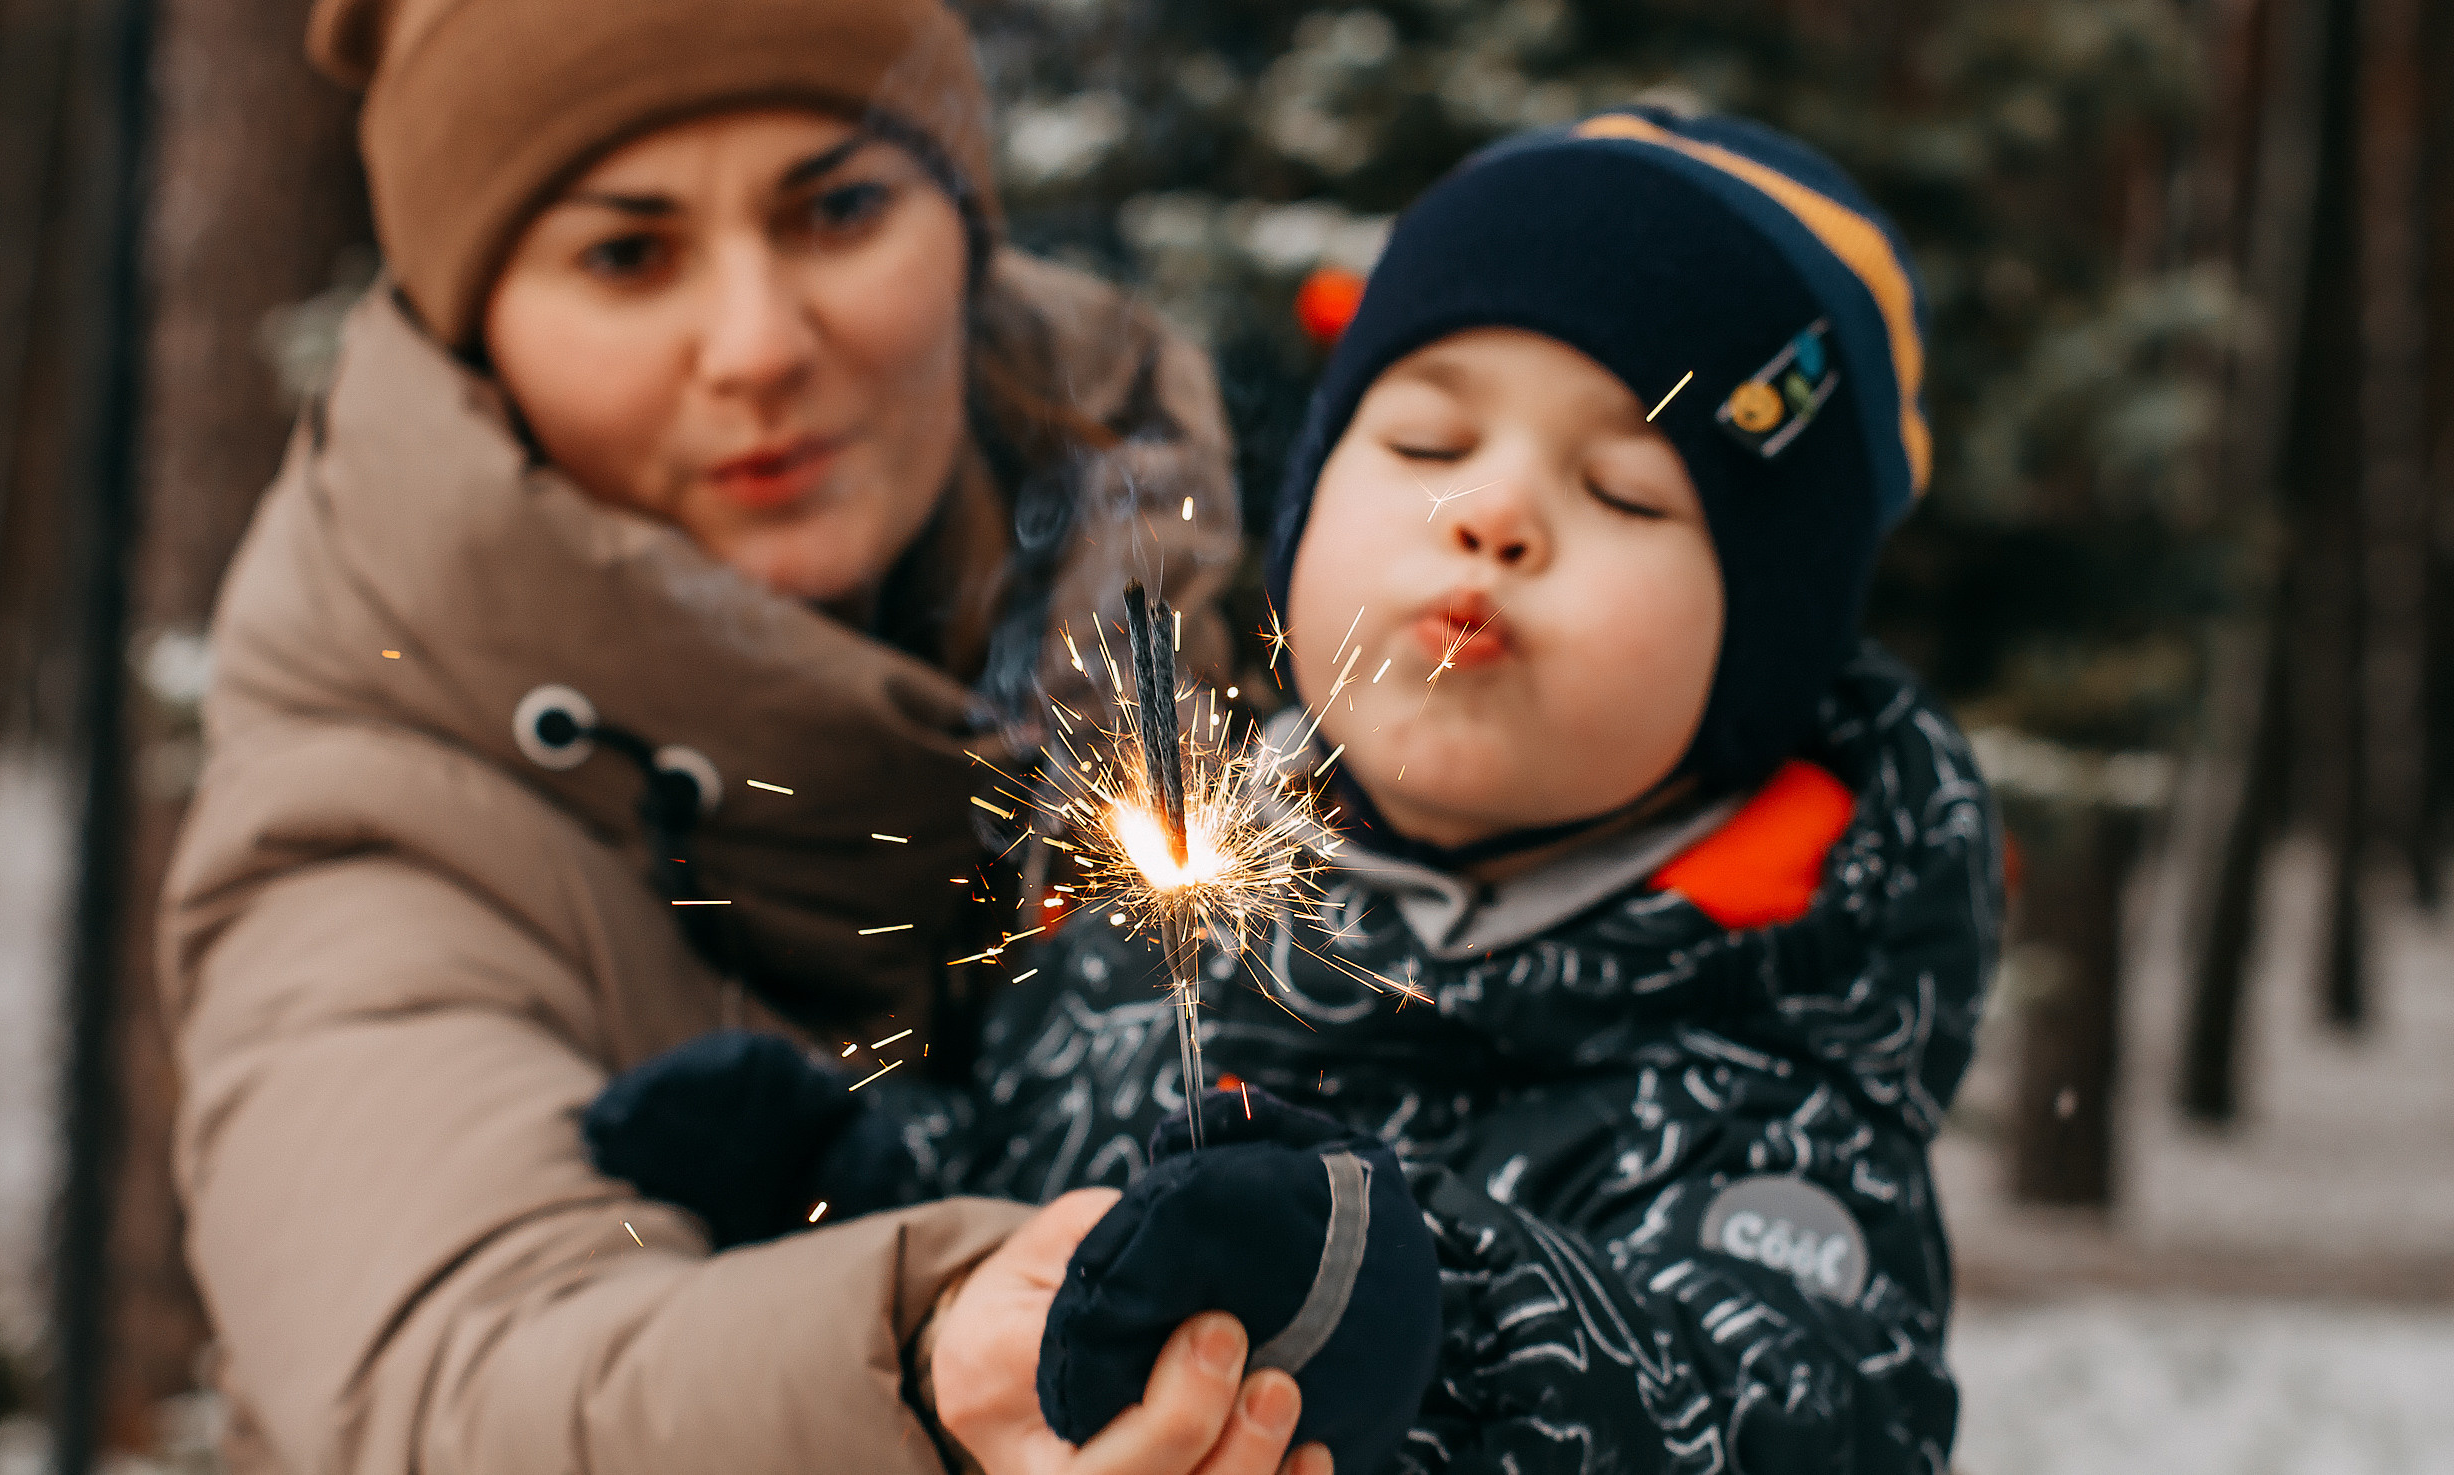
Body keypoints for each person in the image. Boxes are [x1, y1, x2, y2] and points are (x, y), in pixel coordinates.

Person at [157, 0, 1331, 1472]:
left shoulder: (1256, 605)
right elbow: (455, 1379)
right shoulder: (375, 811)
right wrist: (929, 1360)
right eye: (628, 258)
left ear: (962, 224)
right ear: (480, 329)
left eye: (839, 210)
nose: (760, 344)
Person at [589, 107, 2005, 1473]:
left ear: (1761, 652)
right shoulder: (1179, 887)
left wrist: (1420, 1338)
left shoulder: (1770, 1049)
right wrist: (847, 1179)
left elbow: (1784, 1409)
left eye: (1626, 491)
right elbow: (1032, 1173)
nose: (1493, 516)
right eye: (1428, 445)